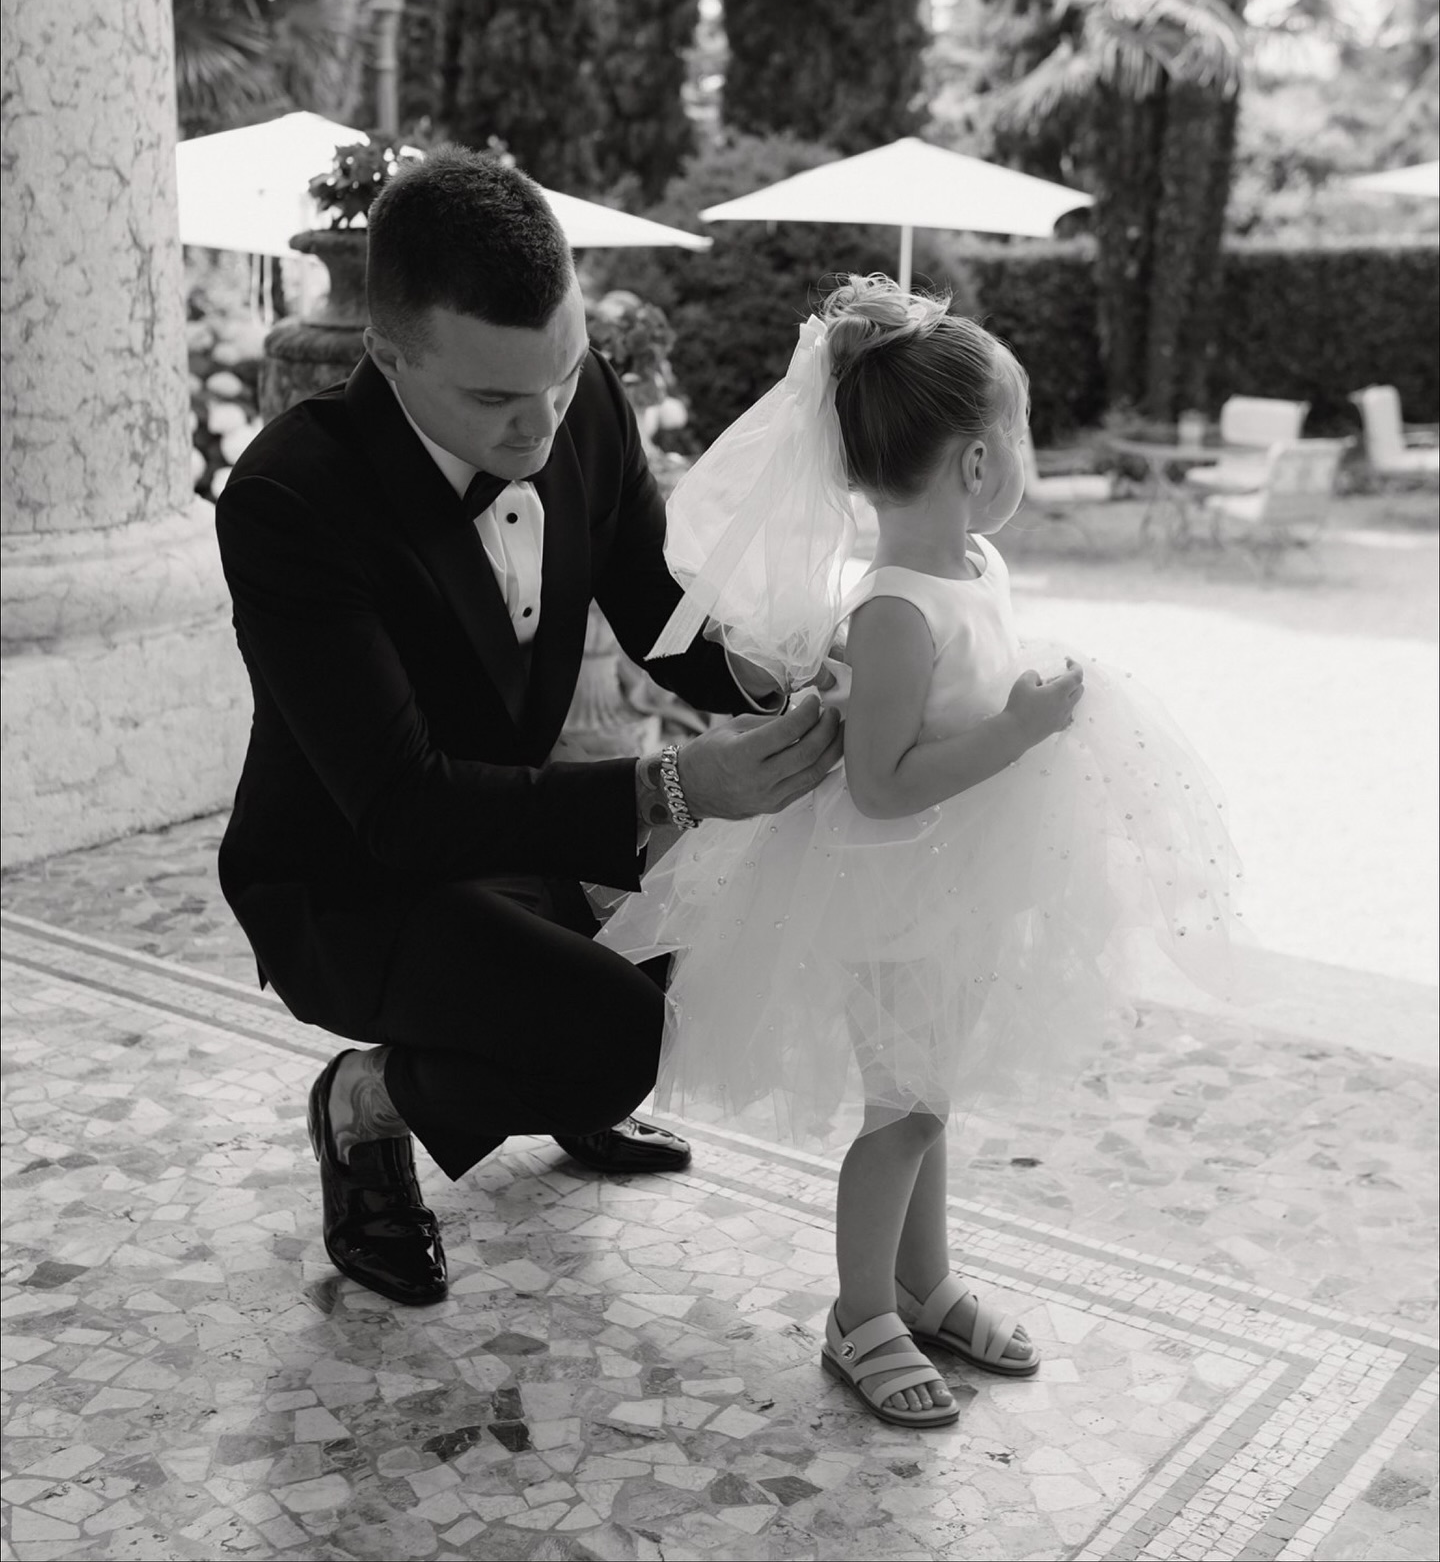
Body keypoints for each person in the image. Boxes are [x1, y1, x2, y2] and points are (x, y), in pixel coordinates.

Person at [600, 275, 1239, 1429]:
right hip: (890, 888)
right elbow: (883, 783)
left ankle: (924, 1281)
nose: (1027, 460)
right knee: (901, 1110)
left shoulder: (974, 571)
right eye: (1022, 439)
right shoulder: (890, 611)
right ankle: (859, 1313)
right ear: (978, 466)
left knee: (929, 1094)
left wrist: (1018, 714)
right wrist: (1020, 728)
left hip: (960, 882)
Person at [213, 146, 843, 1308]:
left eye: (555, 379)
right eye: (495, 400)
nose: (541, 422)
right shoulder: (290, 502)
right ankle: (363, 1105)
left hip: (513, 832)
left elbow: (657, 609)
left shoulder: (580, 391)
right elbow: (400, 805)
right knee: (616, 1038)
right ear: (387, 353)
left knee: (724, 928)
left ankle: (558, 1080)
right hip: (353, 879)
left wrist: (794, 681)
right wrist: (675, 790)